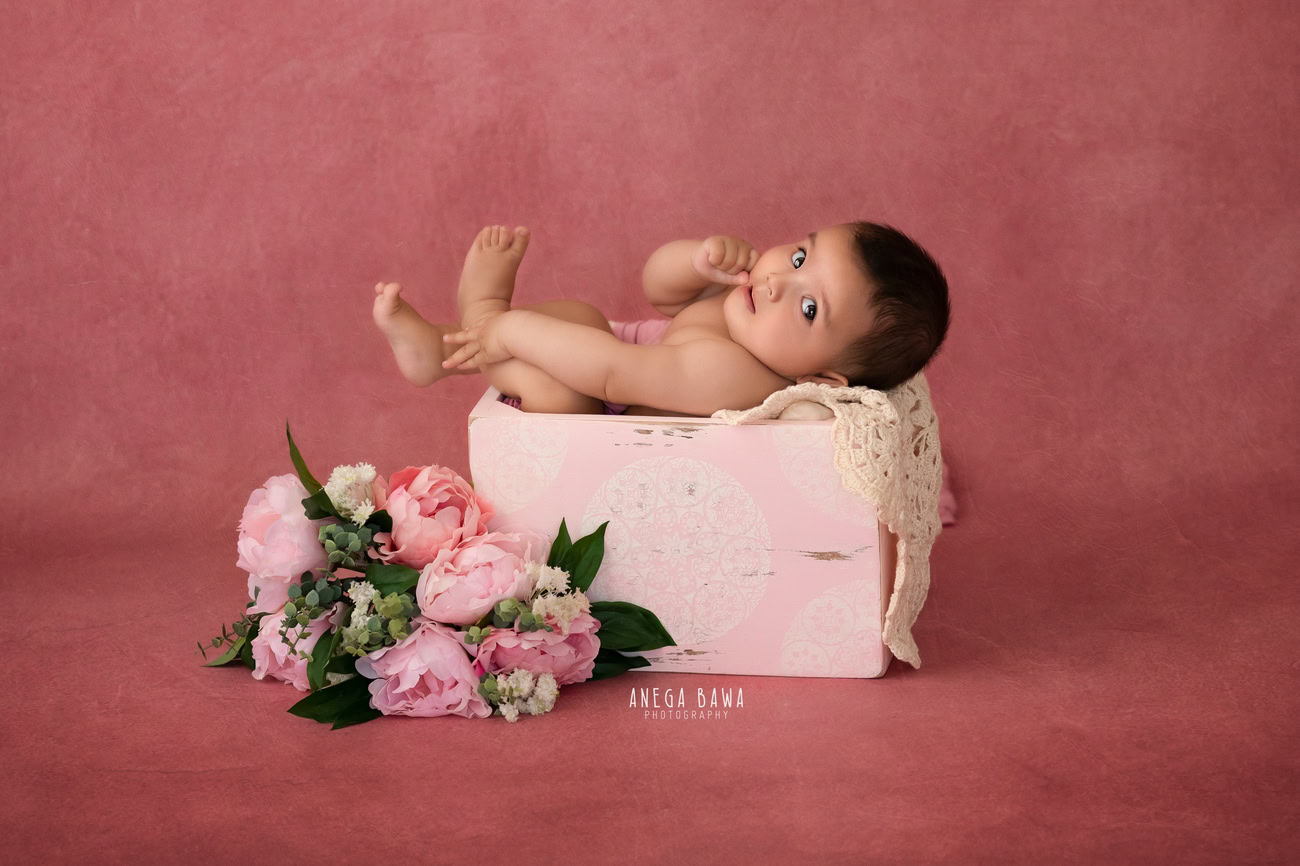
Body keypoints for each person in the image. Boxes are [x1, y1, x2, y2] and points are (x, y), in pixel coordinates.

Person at [372, 222, 950, 416]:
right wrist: (696, 259)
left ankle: (482, 317)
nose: (776, 282)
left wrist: (510, 329)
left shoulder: (743, 378)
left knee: (556, 384)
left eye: (807, 307)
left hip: (599, 406)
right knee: (583, 316)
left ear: (822, 381)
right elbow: (660, 294)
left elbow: (612, 376)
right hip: (612, 357)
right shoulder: (749, 313)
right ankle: (441, 350)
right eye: (800, 257)